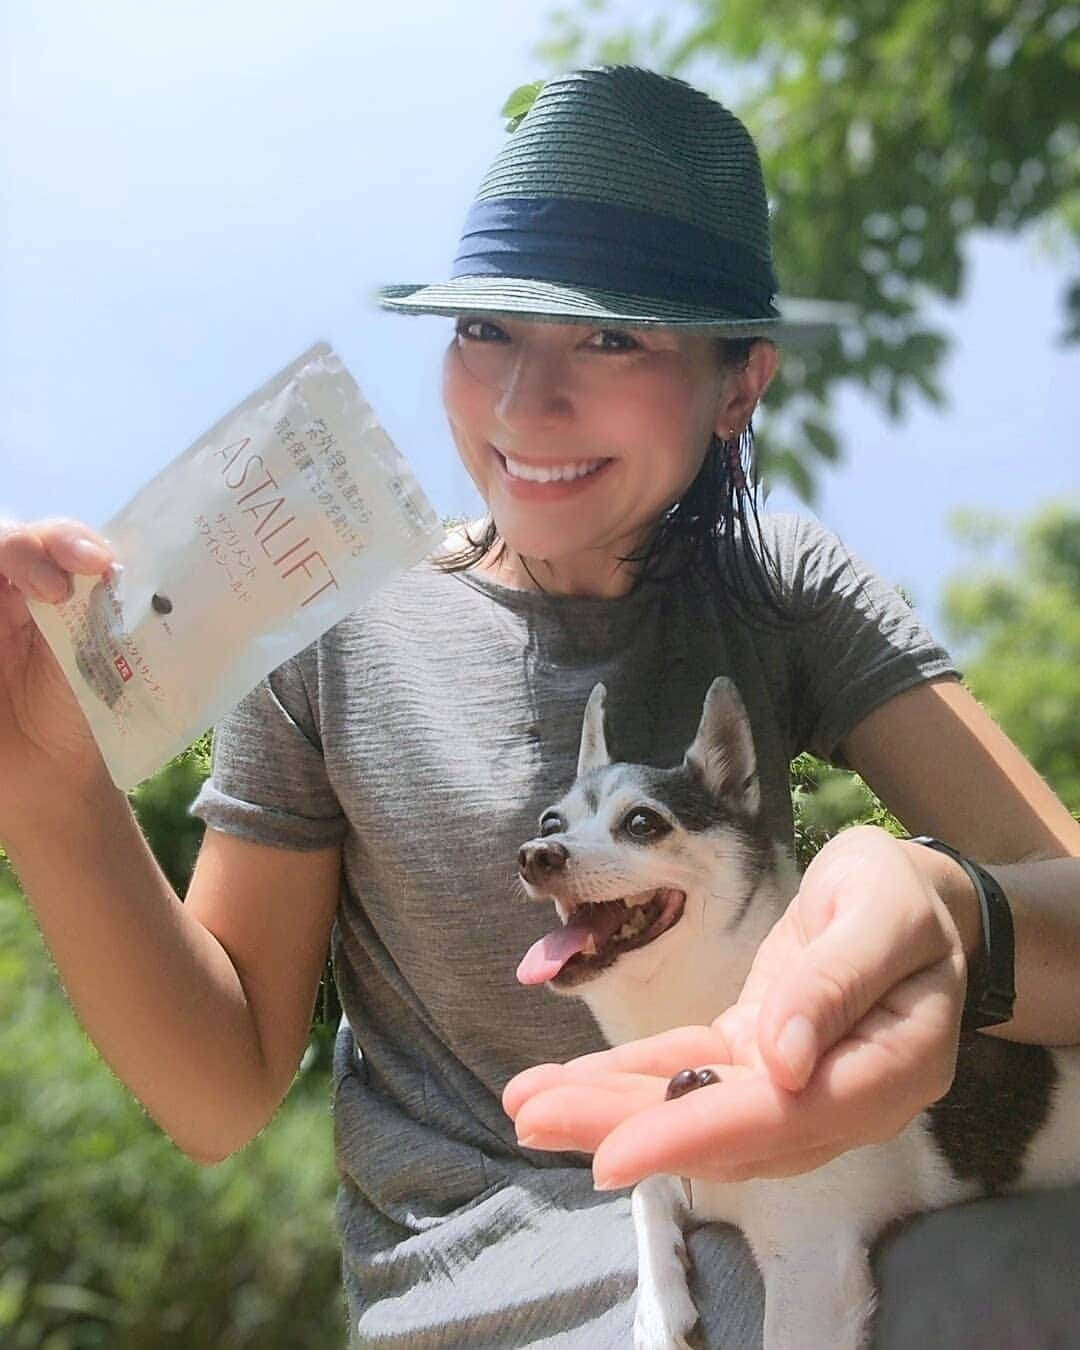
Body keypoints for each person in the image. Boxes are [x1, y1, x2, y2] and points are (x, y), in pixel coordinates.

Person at [2, 65, 1078, 1349]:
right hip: (509, 1291)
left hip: (816, 1207)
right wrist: (49, 789)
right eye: (486, 329)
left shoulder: (784, 591)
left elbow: (1064, 913)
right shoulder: (329, 621)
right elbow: (219, 1096)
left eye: (613, 336)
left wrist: (956, 911)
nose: (524, 403)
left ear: (741, 386)